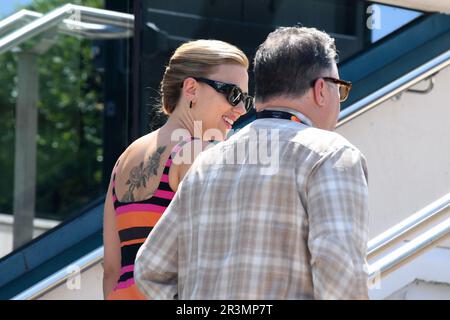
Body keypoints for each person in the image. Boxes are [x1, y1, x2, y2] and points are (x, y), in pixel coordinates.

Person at [135, 26, 370, 300]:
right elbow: (342, 274)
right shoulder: (332, 155)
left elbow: (150, 269)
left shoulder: (206, 162)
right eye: (338, 89)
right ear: (320, 89)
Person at [103, 39, 252, 299]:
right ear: (192, 89)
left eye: (245, 99)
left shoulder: (124, 159)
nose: (240, 109)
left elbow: (112, 271)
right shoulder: (202, 153)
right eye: (233, 94)